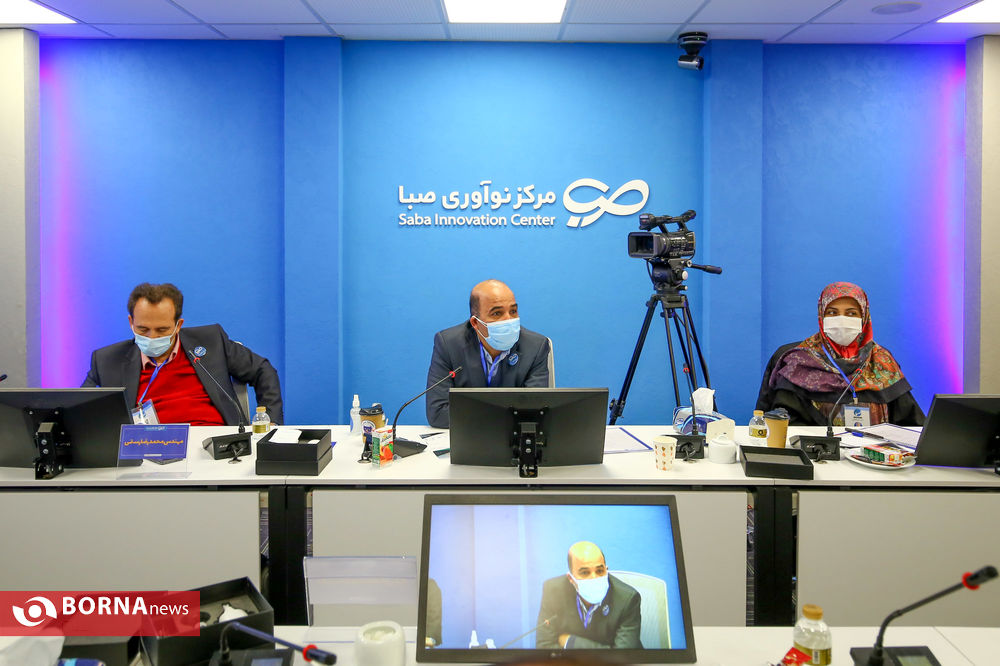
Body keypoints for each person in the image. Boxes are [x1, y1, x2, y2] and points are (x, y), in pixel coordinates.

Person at [82, 282, 283, 426]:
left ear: (178, 325)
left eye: (162, 330)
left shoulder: (210, 341)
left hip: (213, 447)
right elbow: (78, 407)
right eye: (143, 329)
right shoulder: (107, 360)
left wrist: (271, 423)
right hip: (145, 451)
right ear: (131, 323)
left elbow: (262, 370)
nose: (152, 337)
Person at [755, 281, 924, 427]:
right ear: (821, 316)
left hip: (874, 453)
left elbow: (912, 425)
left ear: (864, 317)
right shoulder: (797, 361)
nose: (842, 319)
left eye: (851, 313)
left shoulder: (882, 360)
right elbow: (783, 424)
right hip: (815, 452)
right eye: (832, 312)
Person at [425, 279, 550, 428]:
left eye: (513, 311)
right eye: (497, 313)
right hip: (468, 438)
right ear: (475, 323)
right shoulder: (449, 345)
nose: (508, 320)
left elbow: (534, 411)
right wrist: (507, 415)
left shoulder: (536, 347)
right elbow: (438, 413)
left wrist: (478, 415)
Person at [535, 541, 641, 650]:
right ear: (571, 579)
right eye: (585, 572)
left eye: (600, 571)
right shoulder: (553, 592)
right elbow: (544, 647)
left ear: (606, 570)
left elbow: (622, 655)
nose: (594, 578)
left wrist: (571, 642)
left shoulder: (627, 599)